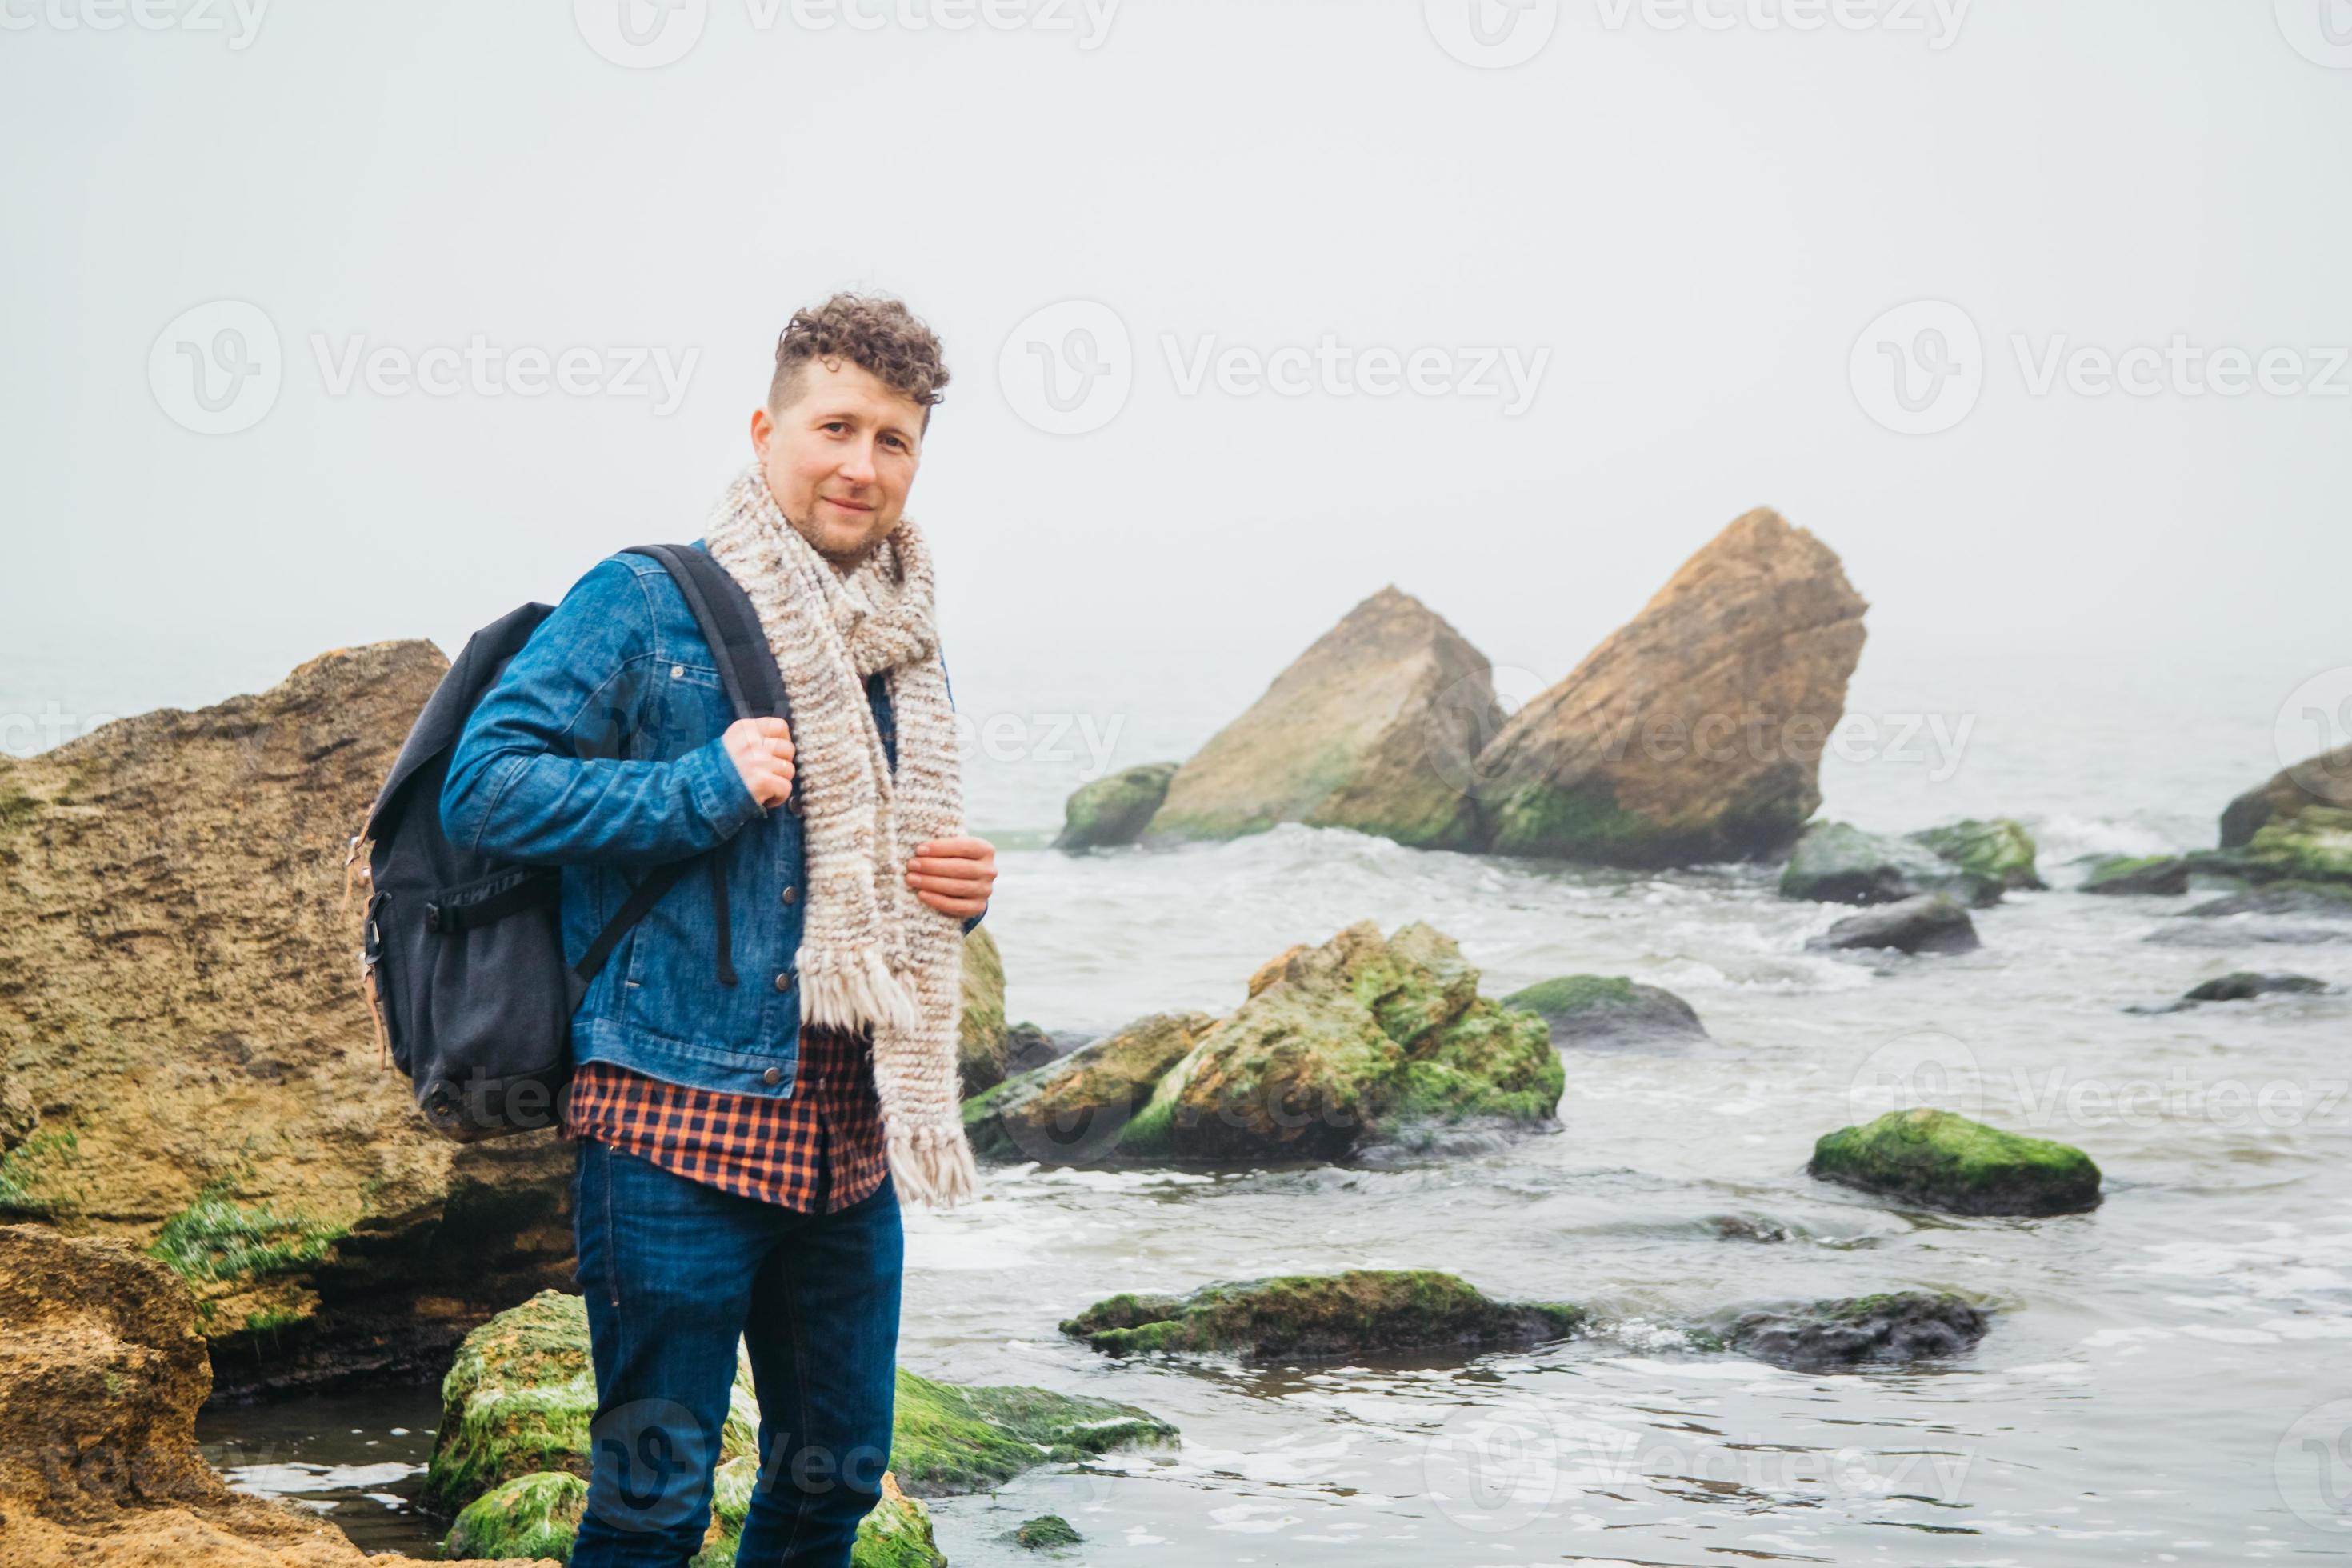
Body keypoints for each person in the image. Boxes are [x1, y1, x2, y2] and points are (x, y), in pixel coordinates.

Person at [440, 291, 996, 1566]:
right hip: (672, 1129)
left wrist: (959, 895)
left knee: (832, 1491)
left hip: (849, 1146)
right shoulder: (645, 601)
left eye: (895, 440)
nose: (863, 466)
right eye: (837, 427)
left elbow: (867, 874)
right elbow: (486, 783)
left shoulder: (908, 641)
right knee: (652, 1508)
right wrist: (702, 784)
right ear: (767, 429)